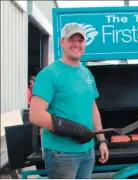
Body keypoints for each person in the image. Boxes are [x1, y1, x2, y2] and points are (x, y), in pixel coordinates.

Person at [29, 23, 109, 179]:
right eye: (72, 39)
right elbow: (36, 115)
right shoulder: (49, 74)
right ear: (62, 42)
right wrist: (73, 130)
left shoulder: (86, 73)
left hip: (88, 150)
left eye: (80, 40)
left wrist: (102, 141)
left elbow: (92, 108)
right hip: (62, 153)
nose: (76, 44)